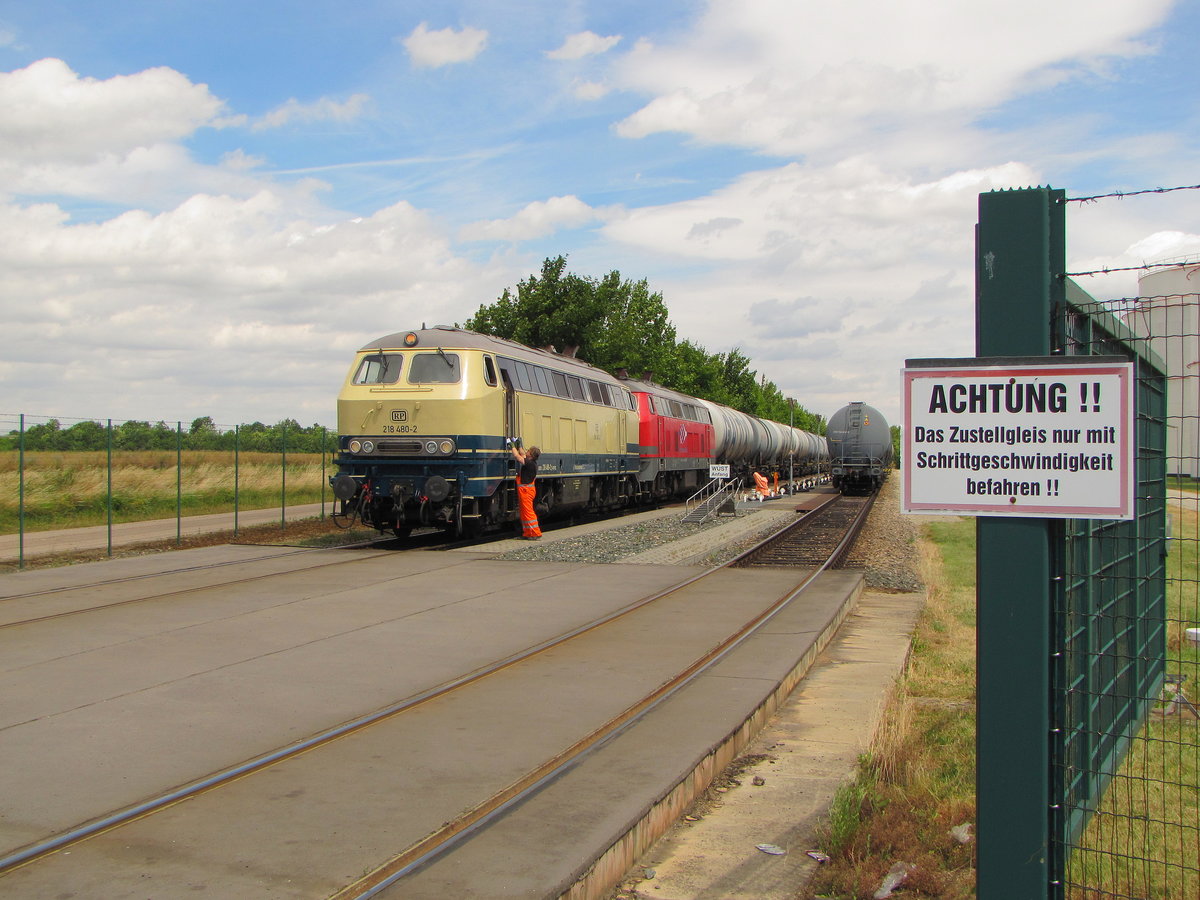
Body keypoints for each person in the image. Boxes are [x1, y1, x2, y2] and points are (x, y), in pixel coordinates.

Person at [510, 439, 542, 539]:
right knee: (524, 513)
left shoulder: (529, 464)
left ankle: (535, 533)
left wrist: (512, 446)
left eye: (528, 451)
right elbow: (523, 454)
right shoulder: (531, 462)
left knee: (528, 513)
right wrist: (519, 445)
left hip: (526, 491)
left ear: (531, 455)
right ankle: (527, 533)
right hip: (526, 490)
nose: (526, 451)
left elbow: (517, 457)